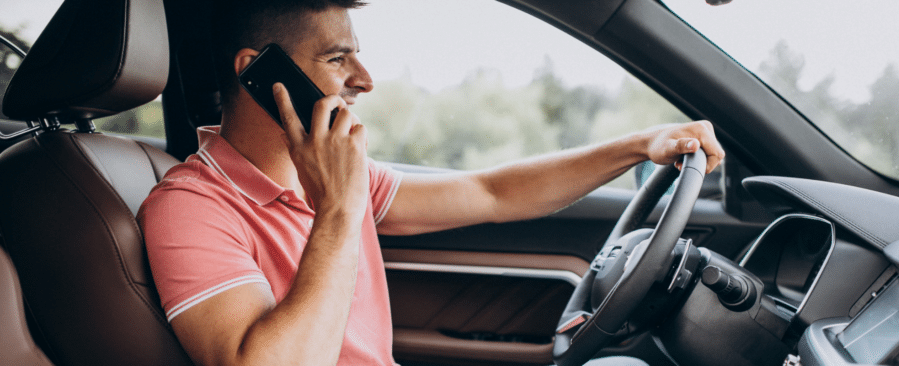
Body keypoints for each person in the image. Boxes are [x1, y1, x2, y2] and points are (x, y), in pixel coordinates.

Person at [138, 0, 725, 365]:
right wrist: (339, 212)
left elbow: (492, 193)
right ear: (259, 72)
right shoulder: (191, 207)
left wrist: (637, 145)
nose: (364, 80)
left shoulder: (335, 178)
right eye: (338, 59)